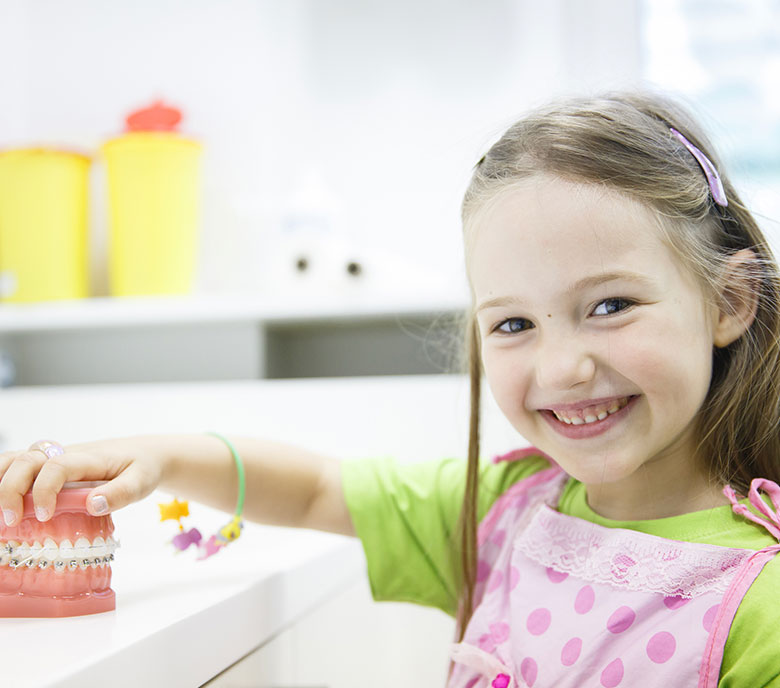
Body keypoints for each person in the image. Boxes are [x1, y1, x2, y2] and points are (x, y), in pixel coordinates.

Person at [2, 91, 779, 687]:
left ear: (729, 301)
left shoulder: (761, 602)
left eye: (610, 306)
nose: (561, 368)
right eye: (513, 325)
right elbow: (312, 491)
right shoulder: (503, 514)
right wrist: (152, 457)